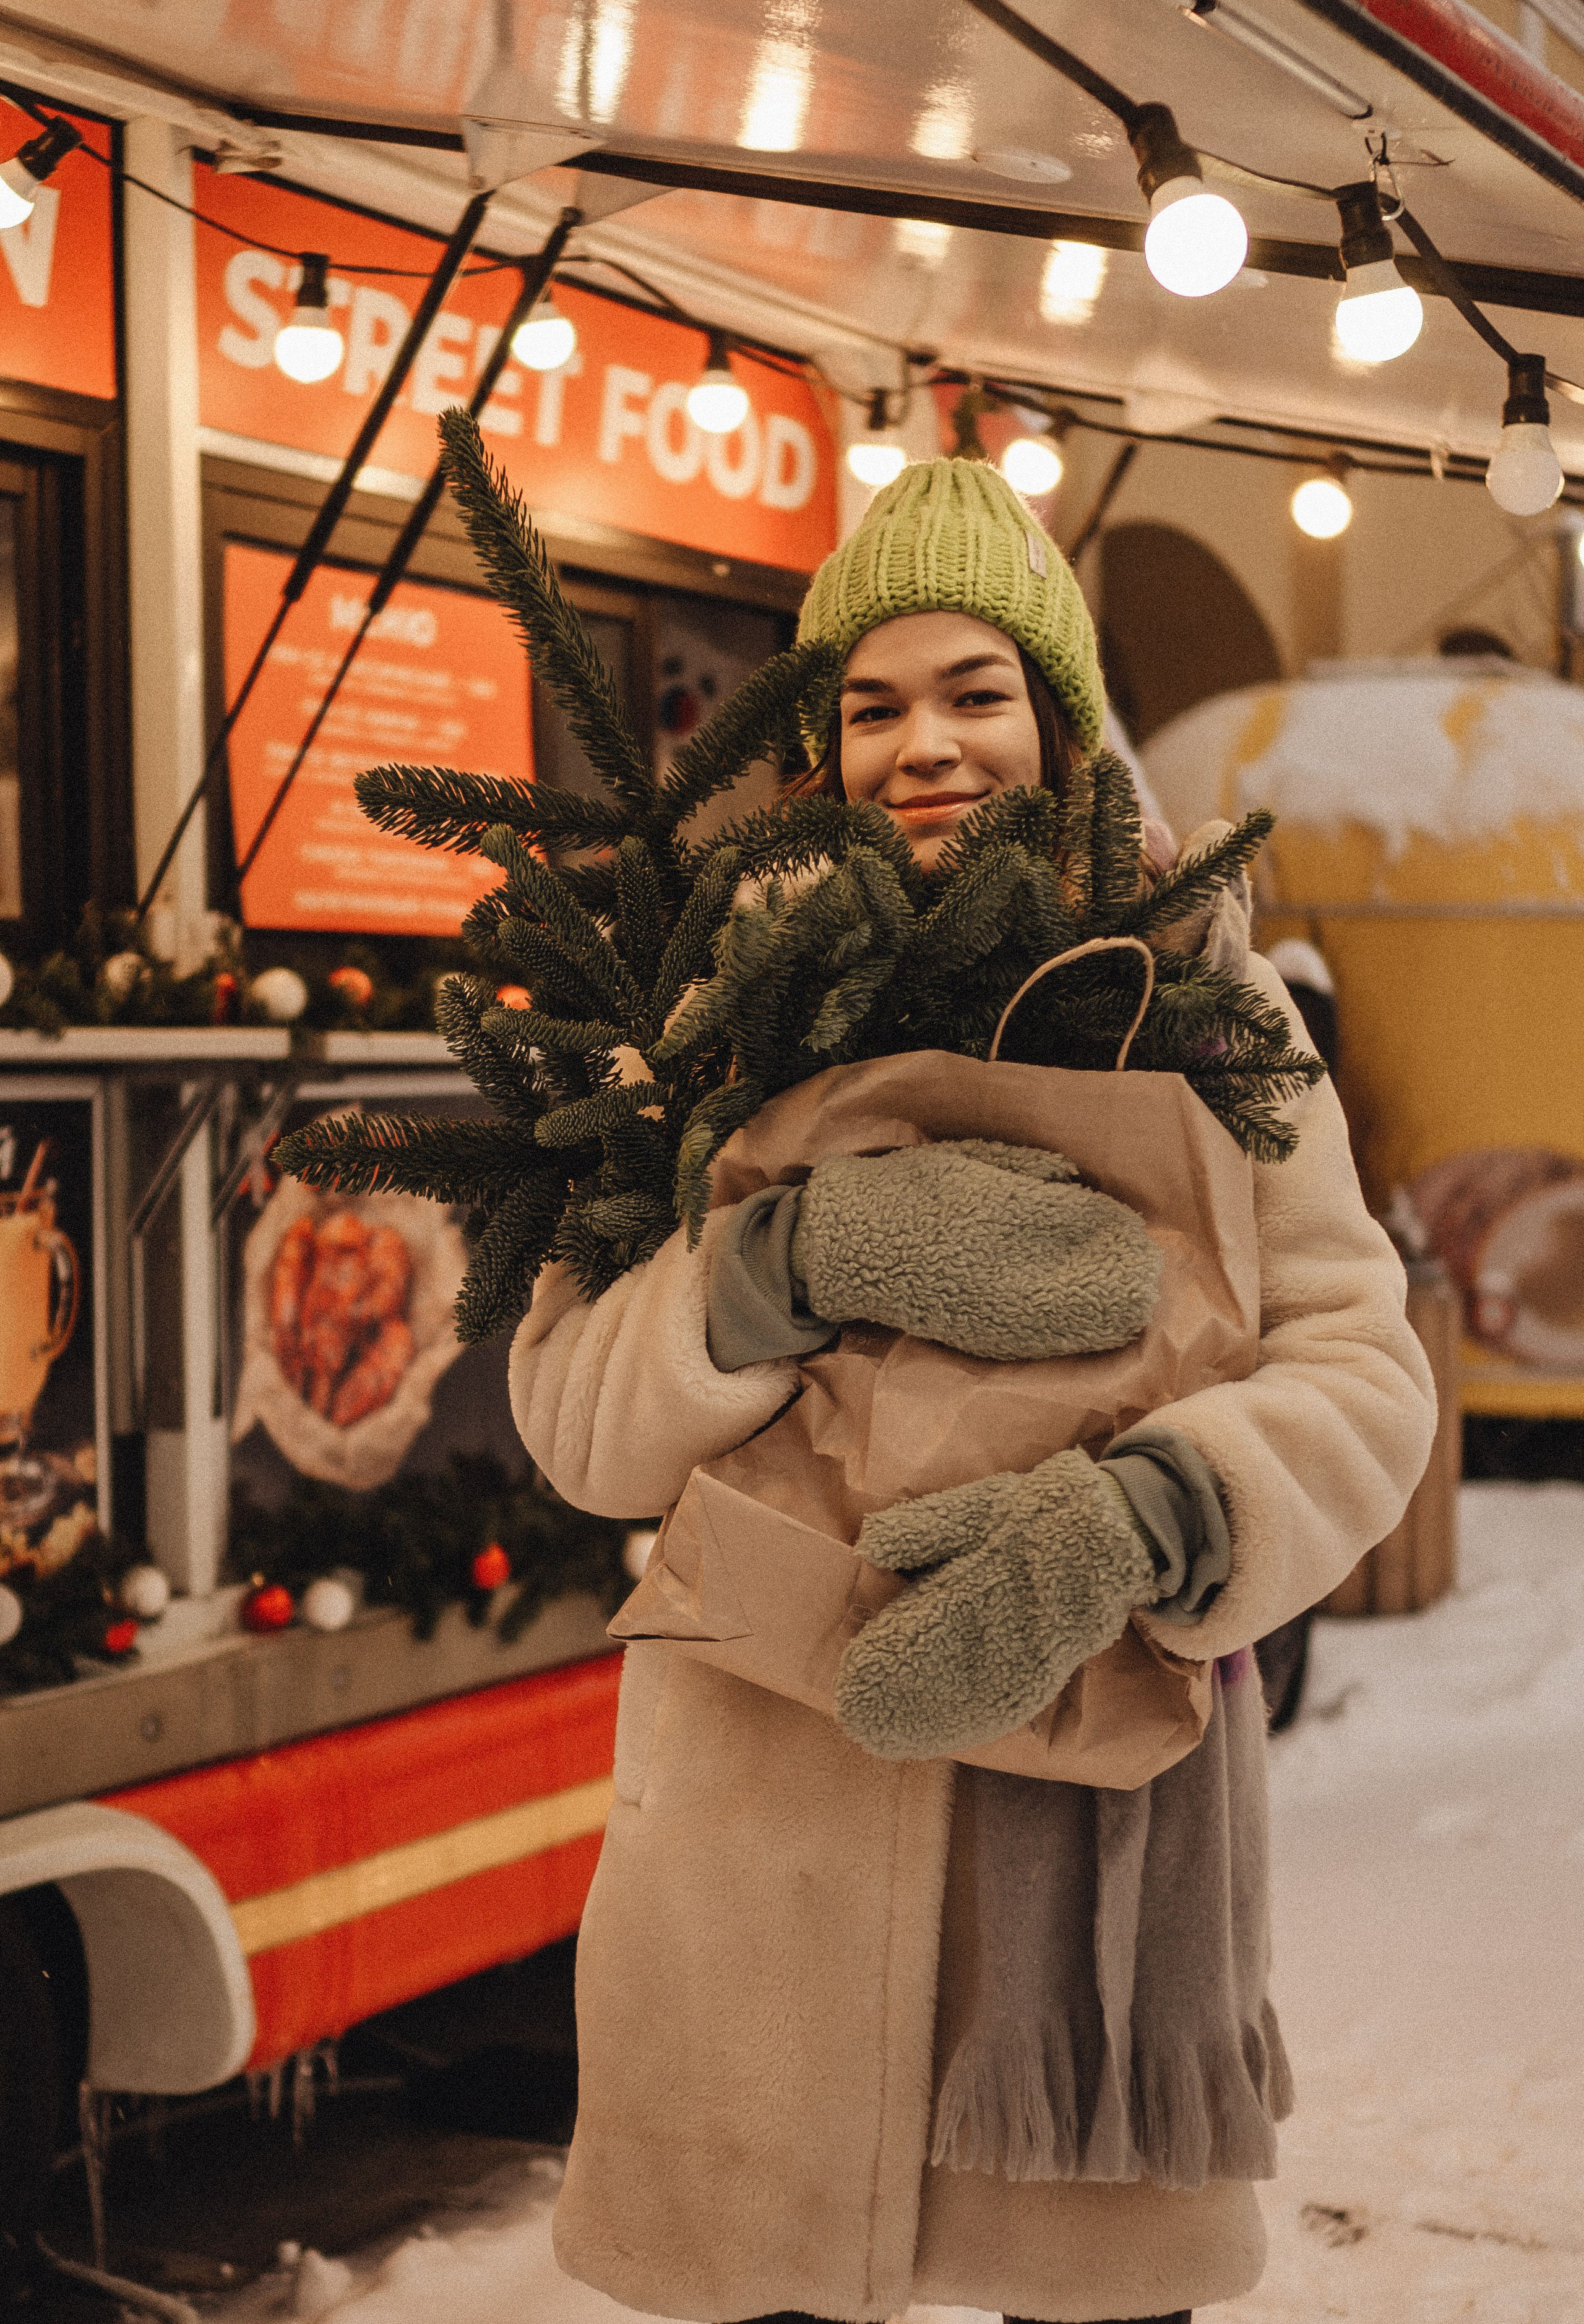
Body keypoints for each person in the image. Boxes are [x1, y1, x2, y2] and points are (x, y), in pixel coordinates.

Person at [509, 460, 1437, 2324]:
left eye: (975, 691)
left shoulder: (1207, 1009)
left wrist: (1150, 1518)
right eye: (871, 704)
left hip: (1083, 1846)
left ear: (1060, 719)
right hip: (761, 1826)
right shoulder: (715, 1020)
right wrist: (772, 1266)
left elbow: (1361, 1367)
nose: (922, 743)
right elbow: (574, 1418)